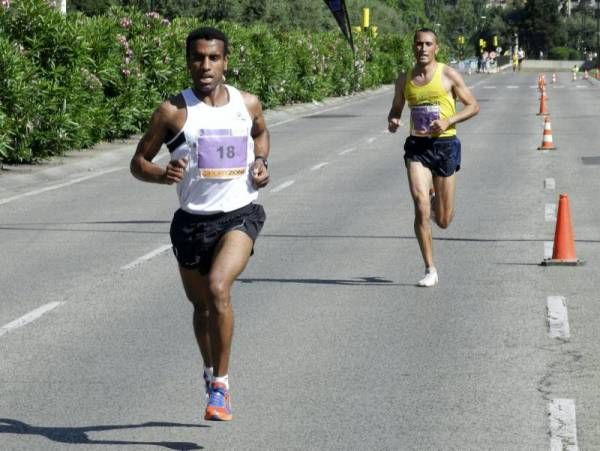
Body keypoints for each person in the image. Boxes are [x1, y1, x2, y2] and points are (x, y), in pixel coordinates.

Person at [130, 27, 270, 421]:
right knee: (202, 308)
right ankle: (210, 373)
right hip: (192, 222)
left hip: (239, 214)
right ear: (188, 61)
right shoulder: (173, 112)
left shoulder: (247, 103)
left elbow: (260, 134)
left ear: (226, 61)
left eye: (213, 58)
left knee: (218, 288)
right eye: (198, 58)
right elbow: (138, 162)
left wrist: (262, 163)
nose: (205, 65)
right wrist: (162, 174)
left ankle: (222, 387)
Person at [387, 28, 479, 287]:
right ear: (413, 47)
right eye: (418, 44)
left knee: (443, 220)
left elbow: (473, 106)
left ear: (436, 48)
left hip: (446, 146)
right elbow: (396, 107)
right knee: (420, 205)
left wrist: (449, 120)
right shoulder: (404, 79)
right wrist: (394, 119)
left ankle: (438, 199)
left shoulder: (448, 75)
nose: (423, 48)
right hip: (417, 147)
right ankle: (430, 269)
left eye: (428, 44)